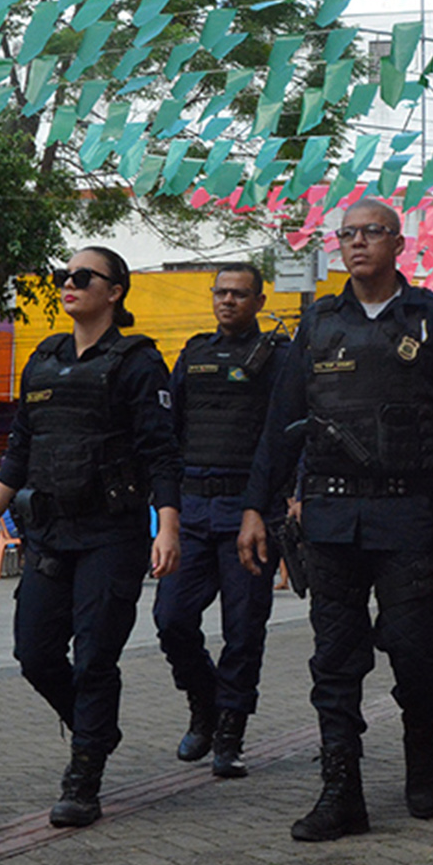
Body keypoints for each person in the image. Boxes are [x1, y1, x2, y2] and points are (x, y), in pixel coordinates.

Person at [235, 200, 433, 842]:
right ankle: (341, 789)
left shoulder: (430, 317)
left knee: (415, 653)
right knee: (335, 660)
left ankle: (418, 759)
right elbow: (281, 425)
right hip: (329, 518)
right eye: (347, 234)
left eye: (370, 233)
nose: (357, 244)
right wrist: (255, 507)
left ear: (398, 244)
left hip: (406, 514)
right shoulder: (318, 322)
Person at [0, 247, 181, 827]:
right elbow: (20, 448)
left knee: (94, 657)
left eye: (82, 277)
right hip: (50, 532)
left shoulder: (138, 362)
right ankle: (98, 727)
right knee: (35, 654)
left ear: (115, 291)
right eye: (64, 275)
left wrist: (166, 527)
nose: (69, 283)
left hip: (112, 533)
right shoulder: (42, 359)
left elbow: (161, 453)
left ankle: (83, 775)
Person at [151, 262, 288, 779]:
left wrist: (278, 500)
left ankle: (230, 732)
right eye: (221, 293)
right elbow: (171, 427)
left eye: (239, 294)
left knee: (243, 629)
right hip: (192, 508)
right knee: (171, 619)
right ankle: (204, 704)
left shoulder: (278, 357)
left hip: (247, 511)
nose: (227, 301)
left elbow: (283, 436)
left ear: (258, 300)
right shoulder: (194, 353)